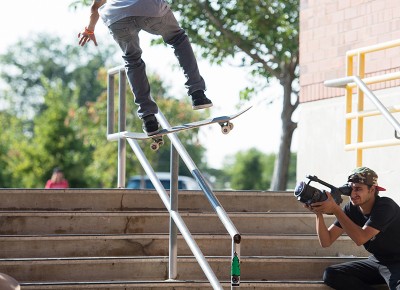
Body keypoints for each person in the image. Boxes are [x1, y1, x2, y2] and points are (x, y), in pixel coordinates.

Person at [78, 0, 213, 136]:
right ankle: (197, 94)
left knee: (132, 59)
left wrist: (89, 29)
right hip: (149, 8)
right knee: (178, 38)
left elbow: (95, 6)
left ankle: (148, 118)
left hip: (116, 16)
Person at [305, 166, 400, 290]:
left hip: (398, 262)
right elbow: (326, 241)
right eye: (351, 189)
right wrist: (318, 213)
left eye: (358, 189)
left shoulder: (386, 206)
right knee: (332, 274)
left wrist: (335, 209)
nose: (353, 194)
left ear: (372, 189)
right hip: (378, 261)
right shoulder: (351, 208)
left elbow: (361, 238)